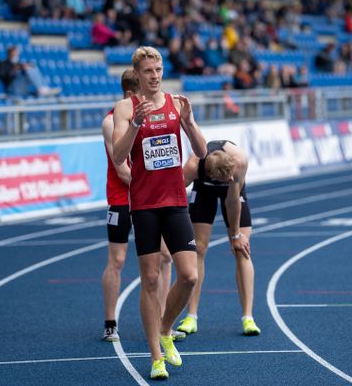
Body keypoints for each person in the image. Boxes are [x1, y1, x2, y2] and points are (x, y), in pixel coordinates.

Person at [111, 46, 207, 380]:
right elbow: (119, 157)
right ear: (137, 74)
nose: (155, 76)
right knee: (151, 279)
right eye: (149, 71)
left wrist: (189, 122)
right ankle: (155, 357)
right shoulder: (126, 107)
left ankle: (165, 329)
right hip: (145, 203)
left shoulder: (176, 103)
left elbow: (201, 151)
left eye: (159, 69)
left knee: (189, 275)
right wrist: (135, 125)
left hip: (175, 199)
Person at [101, 68, 184, 343]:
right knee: (118, 259)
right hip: (122, 197)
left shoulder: (153, 113)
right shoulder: (112, 121)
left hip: (149, 199)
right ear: (129, 94)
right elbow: (122, 167)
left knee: (166, 257)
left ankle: (162, 319)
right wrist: (148, 185)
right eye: (140, 93)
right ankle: (111, 321)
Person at [177, 140, 261, 337]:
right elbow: (175, 196)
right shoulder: (192, 167)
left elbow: (232, 202)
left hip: (233, 193)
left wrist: (235, 236)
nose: (230, 177)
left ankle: (248, 317)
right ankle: (191, 316)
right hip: (203, 189)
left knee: (242, 249)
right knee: (198, 249)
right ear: (213, 176)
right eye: (225, 178)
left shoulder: (238, 163)